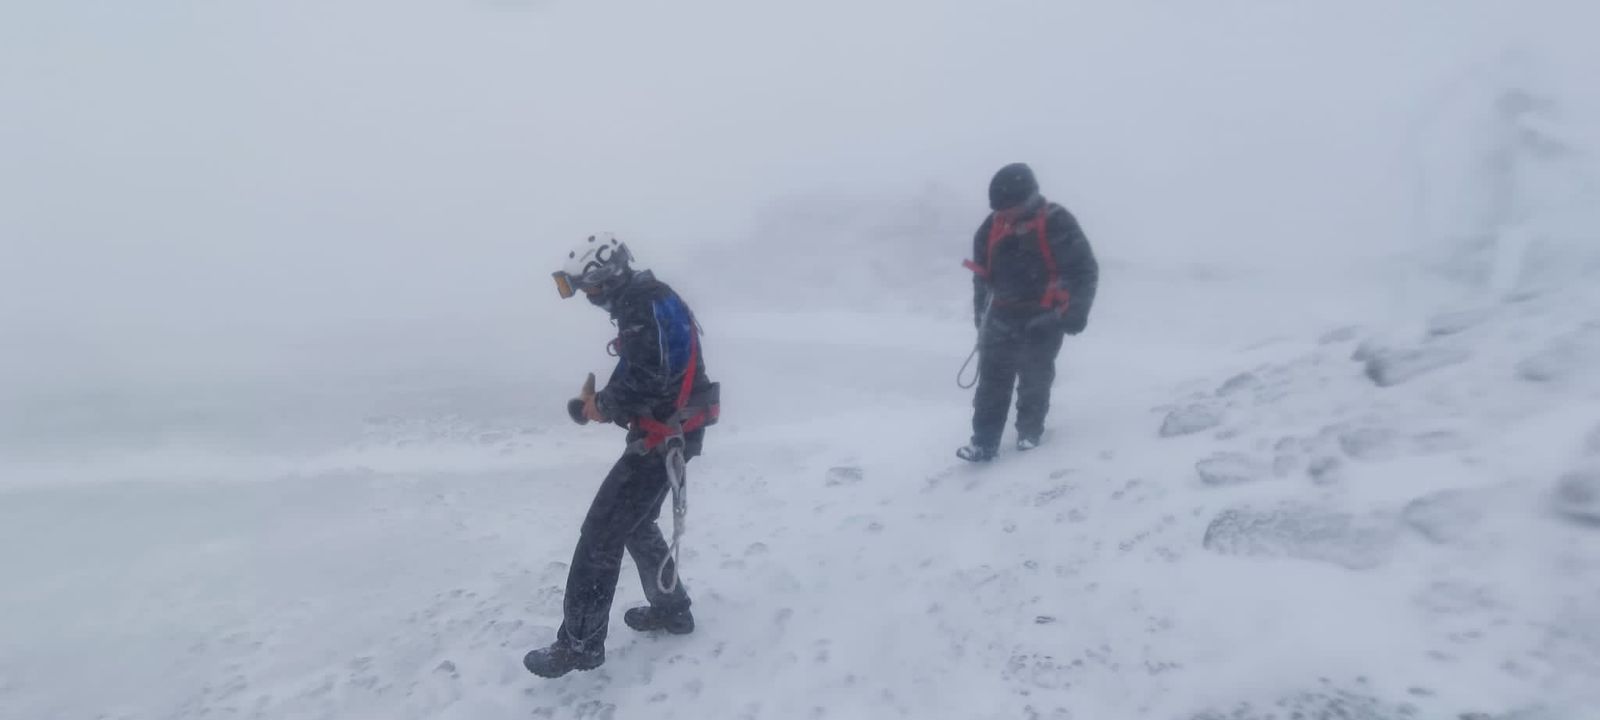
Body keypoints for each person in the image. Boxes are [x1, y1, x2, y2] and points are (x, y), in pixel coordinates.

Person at [524, 233, 719, 678]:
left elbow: (651, 379)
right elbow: (646, 370)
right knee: (636, 524)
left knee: (599, 537)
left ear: (608, 277)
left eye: (589, 287)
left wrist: (603, 405)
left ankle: (579, 645)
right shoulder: (647, 301)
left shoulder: (642, 306)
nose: (588, 296)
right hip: (673, 433)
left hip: (664, 439)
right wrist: (601, 404)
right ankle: (672, 610)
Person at [958, 163, 1099, 462]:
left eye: (1009, 207)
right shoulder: (990, 228)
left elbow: (1084, 270)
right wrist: (980, 317)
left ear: (1029, 198)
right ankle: (983, 442)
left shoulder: (1057, 222)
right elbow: (981, 277)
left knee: (1035, 377)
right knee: (992, 382)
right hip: (1001, 314)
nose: (1003, 215)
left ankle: (1029, 433)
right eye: (999, 209)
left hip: (1044, 316)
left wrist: (1075, 313)